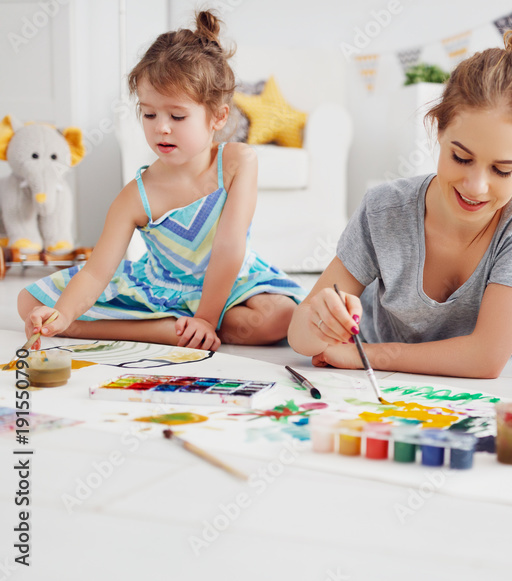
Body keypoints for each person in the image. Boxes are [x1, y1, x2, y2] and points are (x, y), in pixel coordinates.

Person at [288, 20, 512, 379]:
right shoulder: (383, 208)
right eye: (461, 158)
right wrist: (315, 318)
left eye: (502, 171)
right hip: (375, 328)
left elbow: (486, 358)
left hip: (494, 334)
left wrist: (370, 356)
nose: (476, 186)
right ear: (439, 129)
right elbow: (299, 339)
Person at [17, 11, 303, 351]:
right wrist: (62, 315)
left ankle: (167, 329)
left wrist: (206, 320)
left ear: (218, 116)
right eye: (149, 113)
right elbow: (96, 273)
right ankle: (160, 329)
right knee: (27, 302)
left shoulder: (238, 162)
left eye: (177, 116)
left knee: (277, 316)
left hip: (231, 283)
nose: (161, 127)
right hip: (162, 288)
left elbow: (229, 247)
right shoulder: (135, 197)